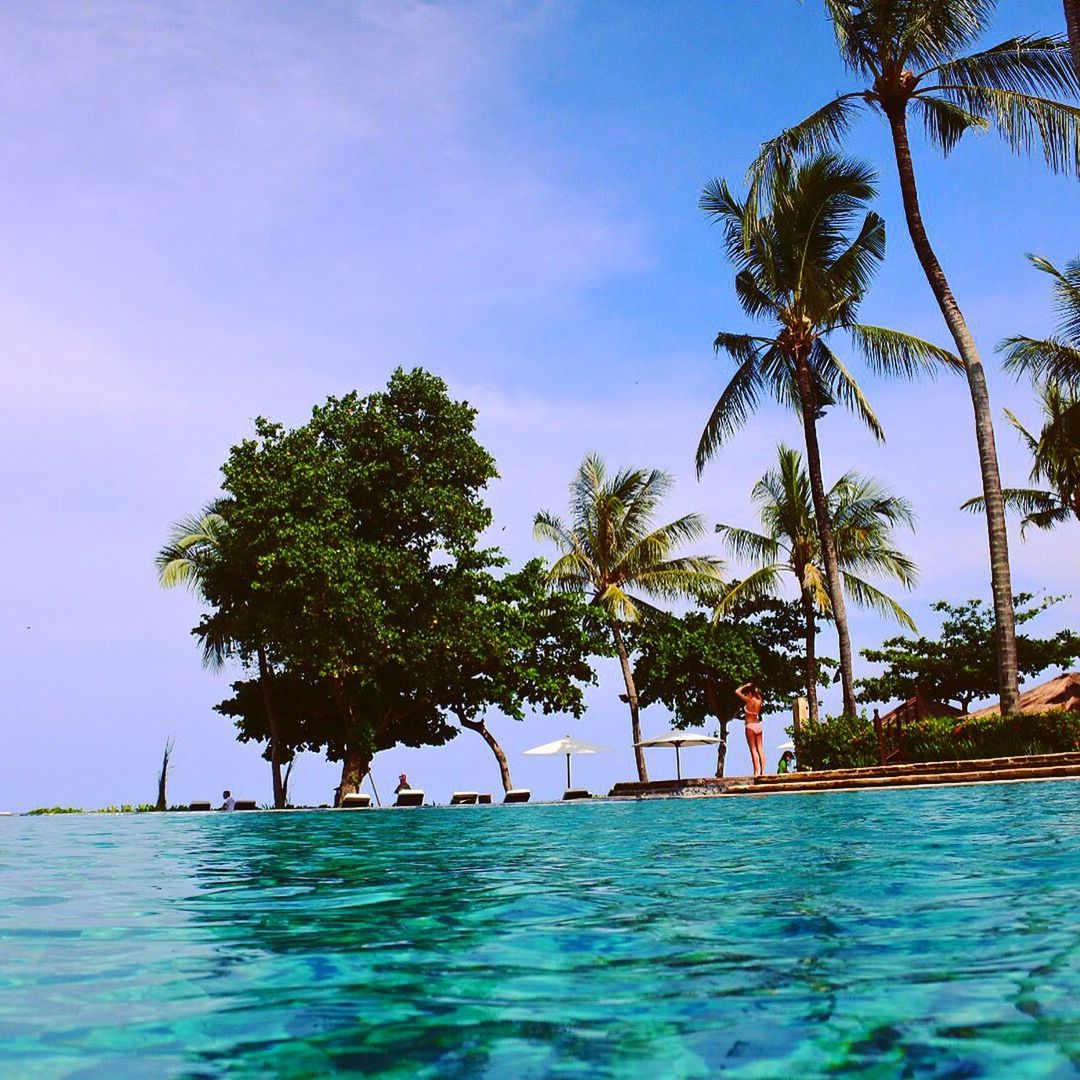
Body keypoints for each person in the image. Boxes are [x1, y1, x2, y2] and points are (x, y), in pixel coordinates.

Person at [735, 682, 766, 777]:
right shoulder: (759, 701)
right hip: (758, 725)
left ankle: (756, 771)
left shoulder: (749, 700)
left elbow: (737, 691)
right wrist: (756, 691)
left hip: (750, 726)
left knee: (753, 749)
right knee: (760, 749)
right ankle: (763, 771)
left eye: (748, 693)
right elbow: (758, 695)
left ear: (750, 693)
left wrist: (745, 685)